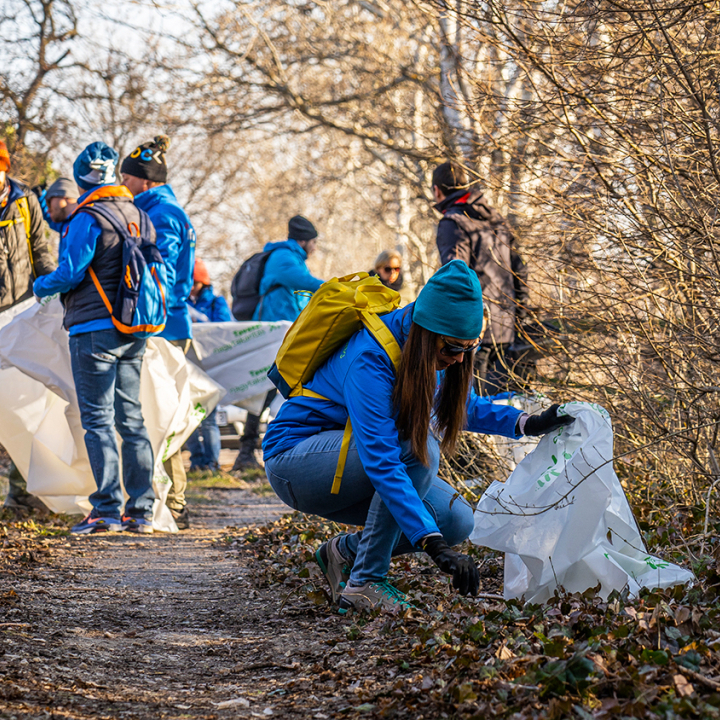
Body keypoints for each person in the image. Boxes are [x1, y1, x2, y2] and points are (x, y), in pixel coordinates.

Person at [262, 260, 573, 612]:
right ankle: (365, 583)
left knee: (456, 520)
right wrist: (431, 544)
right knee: (418, 447)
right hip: (295, 461)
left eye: (467, 350)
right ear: (427, 334)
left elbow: (460, 405)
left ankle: (342, 553)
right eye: (452, 349)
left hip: (348, 458)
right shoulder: (371, 358)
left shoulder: (423, 347)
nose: (458, 360)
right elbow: (382, 460)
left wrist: (526, 423)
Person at [33, 141, 156, 534]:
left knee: (98, 421)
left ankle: (105, 509)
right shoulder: (139, 213)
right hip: (135, 329)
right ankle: (141, 511)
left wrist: (40, 285)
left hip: (93, 331)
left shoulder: (88, 217)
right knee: (132, 420)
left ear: (82, 176)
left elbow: (70, 272)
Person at [121, 135, 196, 529]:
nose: (123, 184)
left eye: (127, 177)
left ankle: (173, 502)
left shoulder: (161, 213)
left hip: (162, 325)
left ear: (144, 180)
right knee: (160, 410)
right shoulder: (161, 207)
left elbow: (159, 273)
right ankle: (171, 498)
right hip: (167, 323)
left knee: (161, 412)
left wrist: (140, 313)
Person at [233, 215, 324, 472]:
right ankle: (247, 451)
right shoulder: (283, 257)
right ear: (304, 240)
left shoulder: (290, 257)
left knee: (271, 390)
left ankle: (250, 451)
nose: (315, 247)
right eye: (314, 241)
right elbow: (305, 283)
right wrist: (338, 287)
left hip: (283, 334)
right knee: (268, 389)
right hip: (275, 336)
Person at [432, 161, 529, 395]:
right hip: (508, 327)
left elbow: (457, 276)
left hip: (475, 331)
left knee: (471, 409)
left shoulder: (452, 223)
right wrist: (521, 315)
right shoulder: (496, 220)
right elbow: (520, 269)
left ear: (437, 191)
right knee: (502, 407)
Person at [0, 140, 57, 514]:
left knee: (28, 404)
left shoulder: (25, 202)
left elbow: (42, 252)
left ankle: (23, 492)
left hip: (19, 312)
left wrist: (51, 303)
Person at [186, 258, 231, 472]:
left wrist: (201, 321)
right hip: (188, 368)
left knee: (209, 418)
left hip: (210, 369)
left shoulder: (216, 303)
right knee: (190, 418)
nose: (191, 289)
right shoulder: (181, 303)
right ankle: (196, 462)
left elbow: (226, 330)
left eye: (195, 284)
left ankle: (212, 463)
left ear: (203, 283)